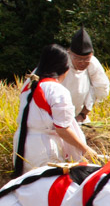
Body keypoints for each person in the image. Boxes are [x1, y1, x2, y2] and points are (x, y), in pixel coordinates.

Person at [12, 45, 94, 177]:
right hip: (43, 148)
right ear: (65, 68)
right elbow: (63, 129)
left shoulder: (28, 86)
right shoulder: (56, 90)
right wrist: (87, 150)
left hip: (21, 144)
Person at [65, 27, 110, 122]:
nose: (82, 62)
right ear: (70, 53)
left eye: (86, 58)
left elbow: (100, 88)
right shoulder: (60, 62)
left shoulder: (93, 63)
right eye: (77, 58)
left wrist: (82, 115)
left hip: (78, 116)